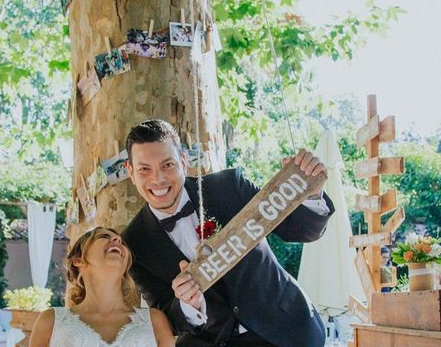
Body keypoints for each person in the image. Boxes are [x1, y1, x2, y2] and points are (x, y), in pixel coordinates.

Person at [121, 119, 335, 347]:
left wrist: (310, 194)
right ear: (131, 172)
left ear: (183, 162)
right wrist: (188, 304)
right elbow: (165, 314)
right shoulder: (134, 243)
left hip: (287, 329)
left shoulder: (228, 187)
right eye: (145, 169)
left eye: (168, 165)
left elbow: (297, 230)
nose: (158, 179)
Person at [29, 226, 175, 347]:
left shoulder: (155, 321)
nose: (117, 239)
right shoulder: (50, 321)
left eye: (122, 242)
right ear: (79, 261)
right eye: (103, 236)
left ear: (125, 270)